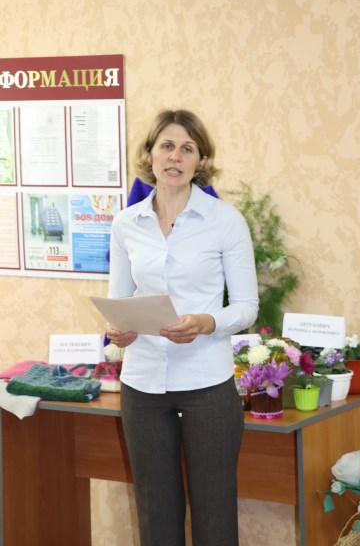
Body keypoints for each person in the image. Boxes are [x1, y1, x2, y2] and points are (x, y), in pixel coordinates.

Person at [106, 109, 259, 546]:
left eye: (187, 148)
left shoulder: (225, 220)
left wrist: (208, 322)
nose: (175, 156)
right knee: (155, 513)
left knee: (214, 514)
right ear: (150, 154)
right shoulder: (125, 223)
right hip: (142, 385)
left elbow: (247, 307)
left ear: (200, 159)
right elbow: (120, 303)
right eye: (167, 146)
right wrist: (120, 330)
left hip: (207, 385)